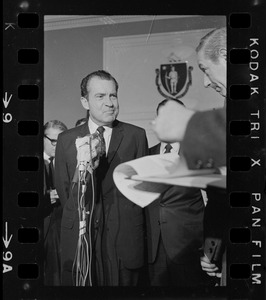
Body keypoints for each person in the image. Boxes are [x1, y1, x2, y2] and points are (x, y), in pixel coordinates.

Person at [55, 70, 148, 286]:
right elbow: (66, 193)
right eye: (100, 96)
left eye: (113, 95)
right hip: (81, 243)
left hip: (124, 245)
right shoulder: (66, 140)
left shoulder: (136, 136)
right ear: (84, 102)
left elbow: (142, 195)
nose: (109, 103)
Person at [152, 27, 227, 284]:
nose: (205, 81)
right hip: (164, 250)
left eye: (205, 69)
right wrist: (213, 250)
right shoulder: (147, 154)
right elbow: (220, 202)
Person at [145, 99, 212, 286]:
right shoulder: (145, 155)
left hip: (187, 249)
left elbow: (218, 203)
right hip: (153, 250)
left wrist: (211, 248)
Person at [43, 120, 68, 285]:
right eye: (52, 141)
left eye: (60, 141)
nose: (56, 145)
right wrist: (47, 198)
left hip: (60, 229)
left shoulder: (64, 163)